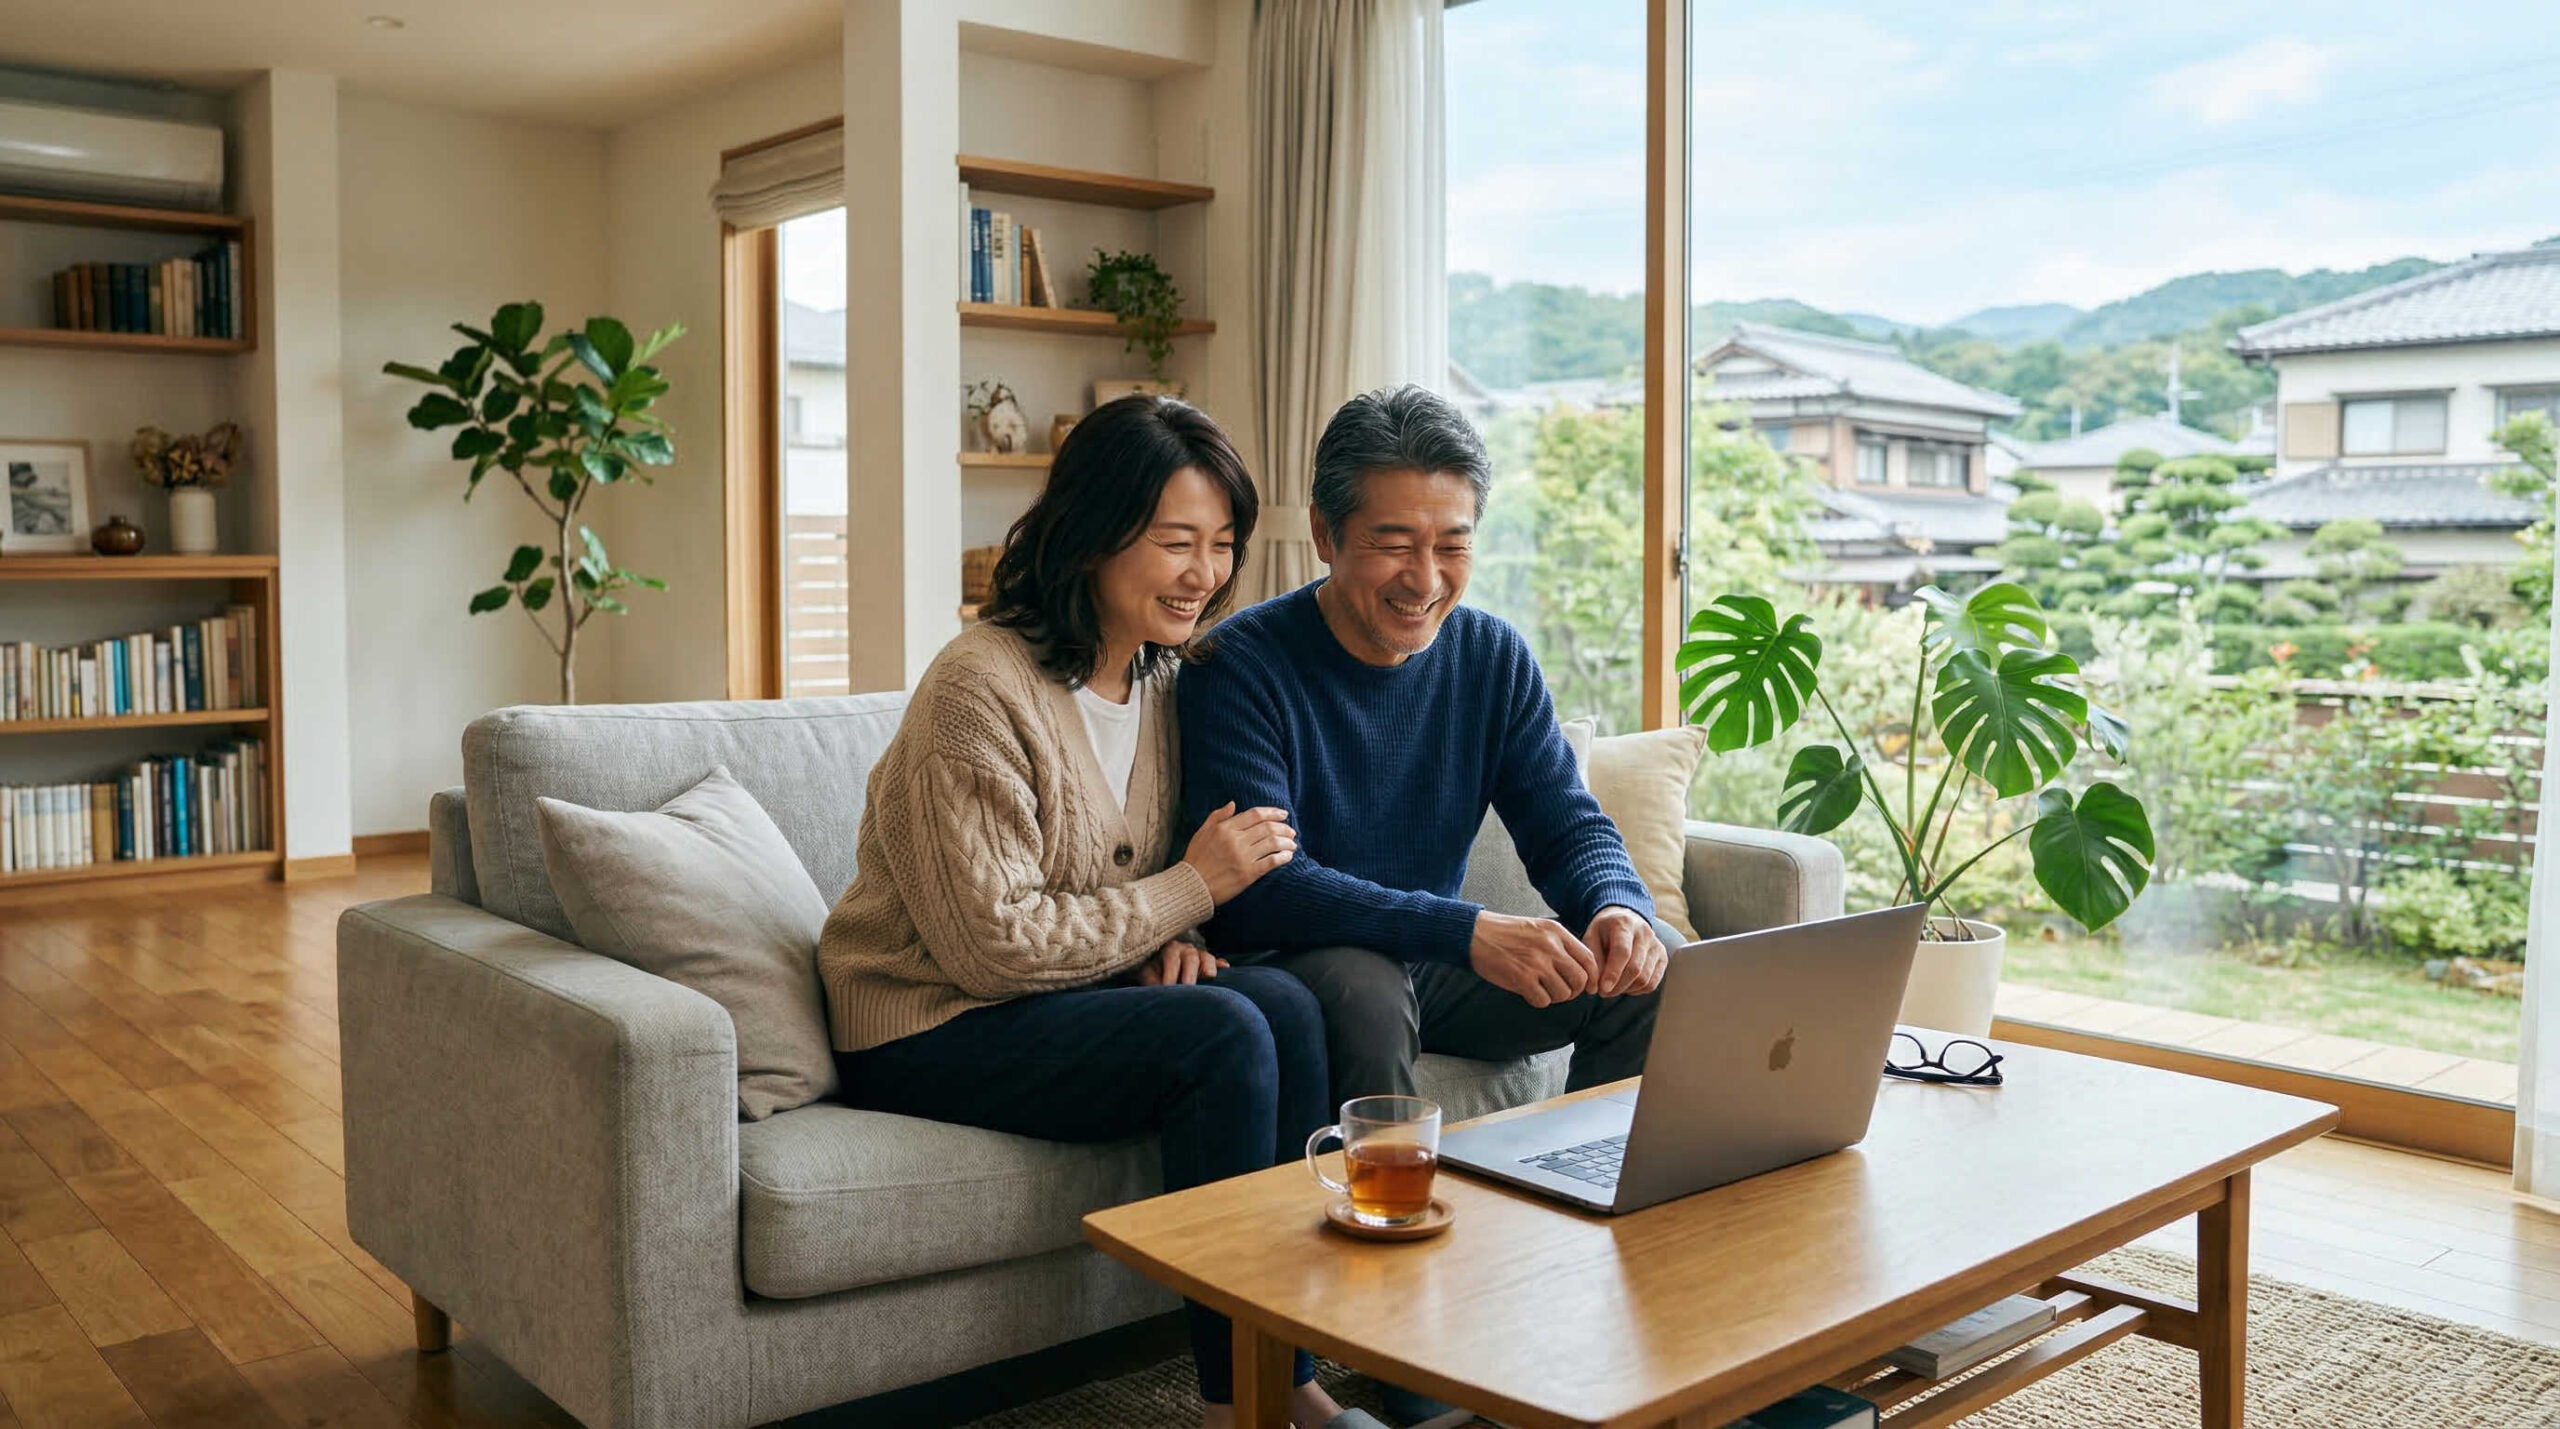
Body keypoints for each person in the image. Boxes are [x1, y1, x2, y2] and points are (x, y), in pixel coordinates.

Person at [818, 396, 1367, 1429]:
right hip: (923, 1019)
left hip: (1047, 999)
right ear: (1093, 535)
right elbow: (993, 945)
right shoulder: (977, 687)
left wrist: (1171, 937)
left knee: (1288, 1004)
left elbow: (1127, 877)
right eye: (1175, 543)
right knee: (1223, 1032)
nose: (1203, 573)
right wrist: (1187, 895)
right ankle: (1230, 1407)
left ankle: (1285, 1377)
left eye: (1221, 544)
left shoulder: (1163, 678)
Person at [1178, 383, 1676, 1109]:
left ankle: (1592, 1185)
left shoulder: (1492, 656)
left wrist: (1616, 906)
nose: (1426, 577)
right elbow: (1266, 888)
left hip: (1435, 961)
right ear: (1325, 533)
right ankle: (1383, 1217)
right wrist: (1465, 930)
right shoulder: (1238, 663)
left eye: (1453, 544)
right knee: (1367, 986)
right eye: (1394, 543)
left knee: (1655, 966)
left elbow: (1567, 822)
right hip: (1292, 964)